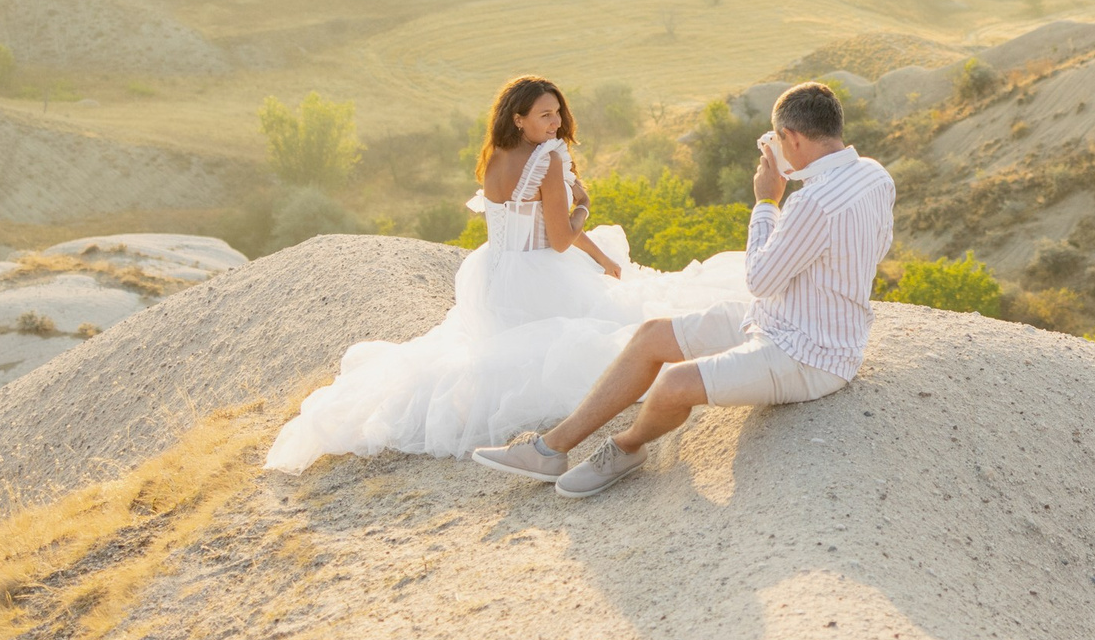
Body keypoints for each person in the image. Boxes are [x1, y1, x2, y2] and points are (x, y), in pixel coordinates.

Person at [264, 76, 749, 473]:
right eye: (545, 114)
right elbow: (558, 238)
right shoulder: (550, 160)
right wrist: (584, 205)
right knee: (610, 337)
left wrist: (601, 257)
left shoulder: (494, 155)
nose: (555, 122)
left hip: (494, 275)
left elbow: (530, 225)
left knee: (493, 351)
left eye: (557, 112)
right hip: (541, 274)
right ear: (518, 118)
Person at [472, 80, 895, 498]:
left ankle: (627, 446)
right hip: (784, 320)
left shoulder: (810, 203)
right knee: (652, 334)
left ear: (791, 138)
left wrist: (767, 202)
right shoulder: (875, 175)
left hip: (806, 354)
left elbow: (760, 281)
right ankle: (550, 448)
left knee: (674, 383)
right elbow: (876, 246)